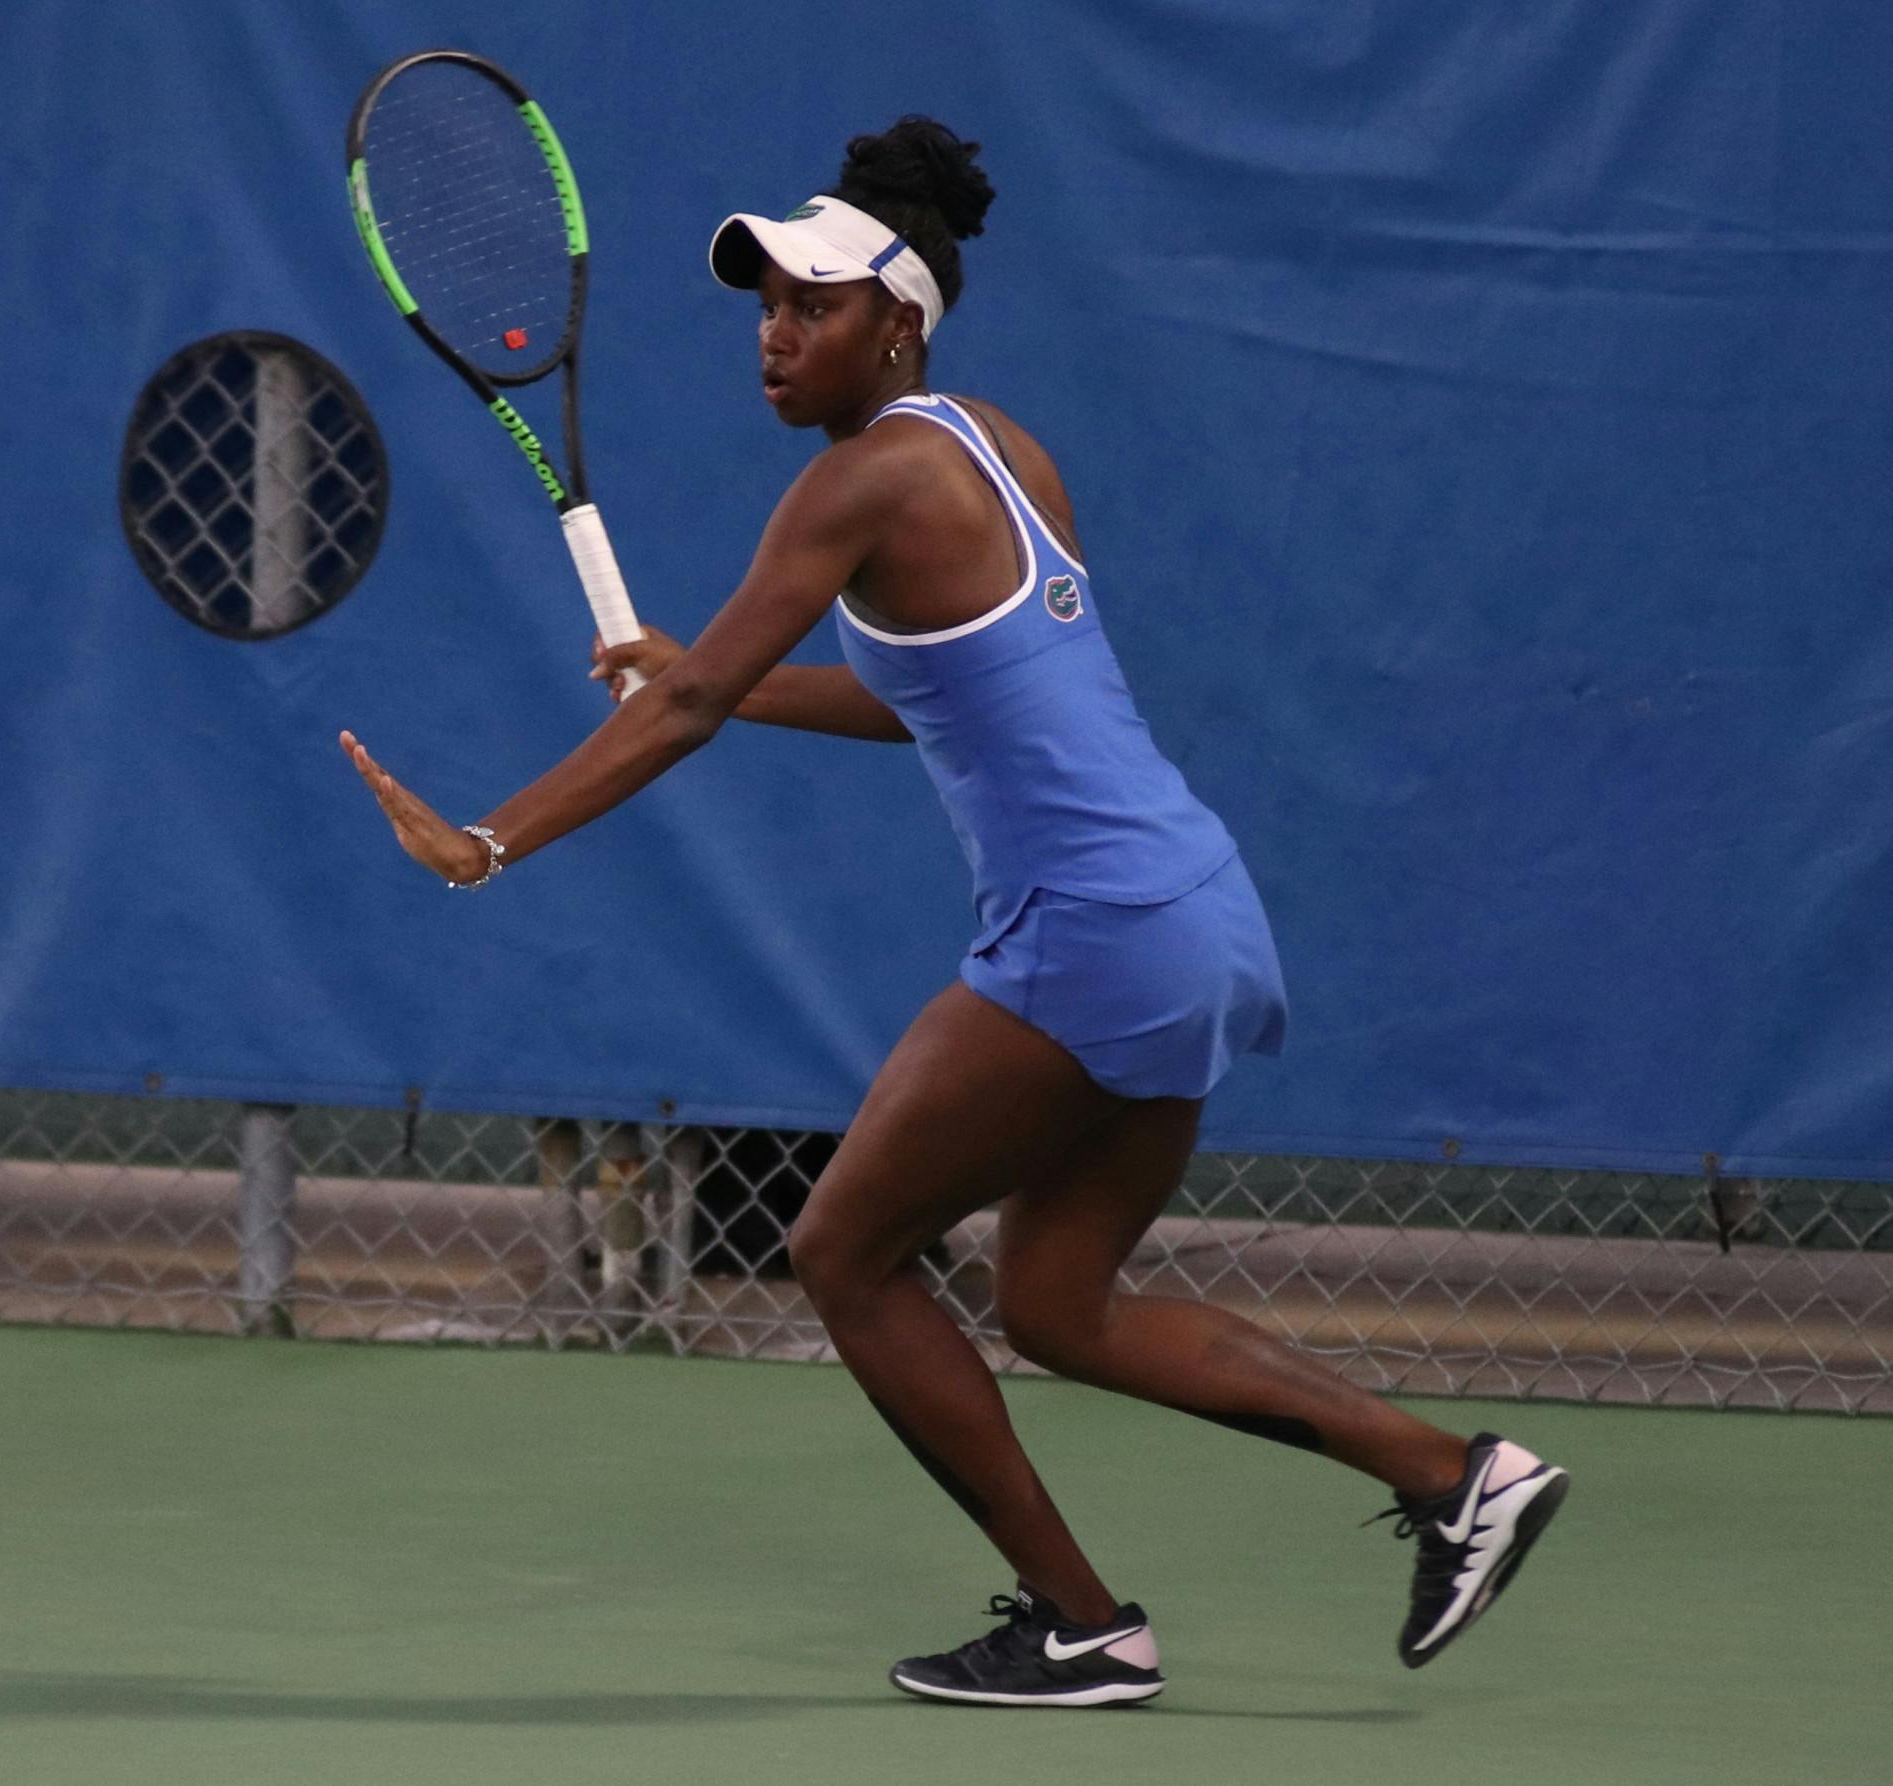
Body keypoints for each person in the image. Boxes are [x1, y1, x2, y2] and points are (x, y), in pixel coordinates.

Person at [340, 116, 1569, 1708]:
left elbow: (694, 704)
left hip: (1092, 930)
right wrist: (716, 680)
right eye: (765, 302)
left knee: (844, 1249)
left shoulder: (863, 479)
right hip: (1192, 910)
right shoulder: (994, 446)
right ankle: (1452, 1473)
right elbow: (941, 689)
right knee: (1058, 1301)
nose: (775, 332)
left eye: (813, 304)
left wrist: (491, 839)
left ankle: (1080, 1621)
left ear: (896, 321)